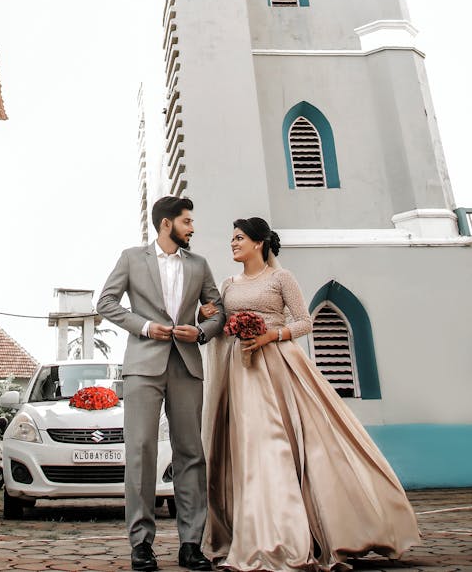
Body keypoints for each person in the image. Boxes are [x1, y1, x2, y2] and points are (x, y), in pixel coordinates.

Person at [199, 217, 420, 572]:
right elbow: (220, 323)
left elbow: (305, 321)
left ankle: (291, 533)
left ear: (259, 243)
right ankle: (252, 531)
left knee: (282, 446)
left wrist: (272, 335)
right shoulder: (228, 284)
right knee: (246, 449)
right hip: (239, 373)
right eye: (232, 239)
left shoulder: (280, 278)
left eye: (239, 238)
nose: (233, 244)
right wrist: (206, 313)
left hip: (278, 368)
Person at [97, 196, 225, 572]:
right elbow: (105, 302)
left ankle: (190, 545)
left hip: (186, 366)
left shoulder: (199, 265)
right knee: (140, 452)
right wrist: (144, 326)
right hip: (142, 367)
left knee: (190, 453)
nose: (192, 228)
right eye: (187, 221)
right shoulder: (132, 258)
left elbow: (218, 312)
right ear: (166, 224)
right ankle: (141, 545)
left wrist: (200, 332)